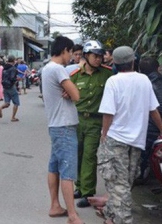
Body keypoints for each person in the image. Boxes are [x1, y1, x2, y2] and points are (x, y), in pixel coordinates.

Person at [98, 46, 162, 224]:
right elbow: (154, 110)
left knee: (120, 185)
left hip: (116, 139)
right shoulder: (144, 80)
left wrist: (104, 135)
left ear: (115, 63)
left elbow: (108, 113)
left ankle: (123, 220)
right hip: (136, 141)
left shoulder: (113, 81)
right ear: (133, 61)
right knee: (126, 182)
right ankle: (111, 216)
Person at [41, 36, 83, 224]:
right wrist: (71, 91)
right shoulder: (58, 69)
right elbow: (76, 95)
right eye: (71, 53)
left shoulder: (46, 68)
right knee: (68, 170)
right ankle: (73, 216)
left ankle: (55, 205)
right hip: (64, 126)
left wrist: (66, 91)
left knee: (54, 166)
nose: (72, 57)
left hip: (55, 124)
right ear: (65, 50)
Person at [70, 40, 112, 208]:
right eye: (95, 56)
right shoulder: (75, 75)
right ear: (86, 56)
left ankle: (88, 193)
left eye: (101, 56)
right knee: (77, 154)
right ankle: (79, 186)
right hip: (77, 119)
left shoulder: (108, 74)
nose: (99, 59)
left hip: (95, 120)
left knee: (89, 155)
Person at [136, 57, 162, 183]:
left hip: (148, 126)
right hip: (156, 126)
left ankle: (141, 176)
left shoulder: (142, 85)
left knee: (143, 155)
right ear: (158, 68)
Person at [0, 55, 20, 122]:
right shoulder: (13, 68)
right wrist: (17, 79)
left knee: (7, 103)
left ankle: (0, 107)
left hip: (5, 86)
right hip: (11, 87)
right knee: (16, 103)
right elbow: (12, 78)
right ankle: (13, 117)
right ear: (13, 61)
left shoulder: (4, 68)